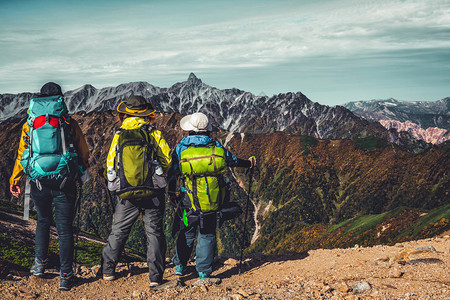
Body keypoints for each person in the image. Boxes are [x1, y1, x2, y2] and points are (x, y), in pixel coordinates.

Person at [9, 82, 90, 291]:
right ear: (60, 99)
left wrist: (15, 180)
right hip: (64, 182)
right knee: (64, 229)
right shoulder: (67, 122)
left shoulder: (30, 124)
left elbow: (22, 154)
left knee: (43, 222)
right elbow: (83, 151)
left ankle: (39, 265)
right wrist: (82, 171)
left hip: (38, 182)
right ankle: (65, 275)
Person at [168, 112, 256, 281]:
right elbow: (233, 160)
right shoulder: (216, 147)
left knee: (186, 230)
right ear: (207, 130)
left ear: (190, 130)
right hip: (212, 198)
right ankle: (203, 272)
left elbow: (173, 172)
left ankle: (180, 266)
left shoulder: (181, 148)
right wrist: (249, 163)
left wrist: (173, 193)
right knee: (207, 233)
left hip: (188, 200)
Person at [101, 95, 172, 288]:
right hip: (152, 191)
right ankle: (155, 277)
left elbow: (110, 162)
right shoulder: (152, 133)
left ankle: (108, 271)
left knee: (119, 231)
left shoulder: (119, 134)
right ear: (145, 113)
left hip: (126, 193)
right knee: (154, 233)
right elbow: (167, 159)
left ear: (126, 113)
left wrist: (115, 182)